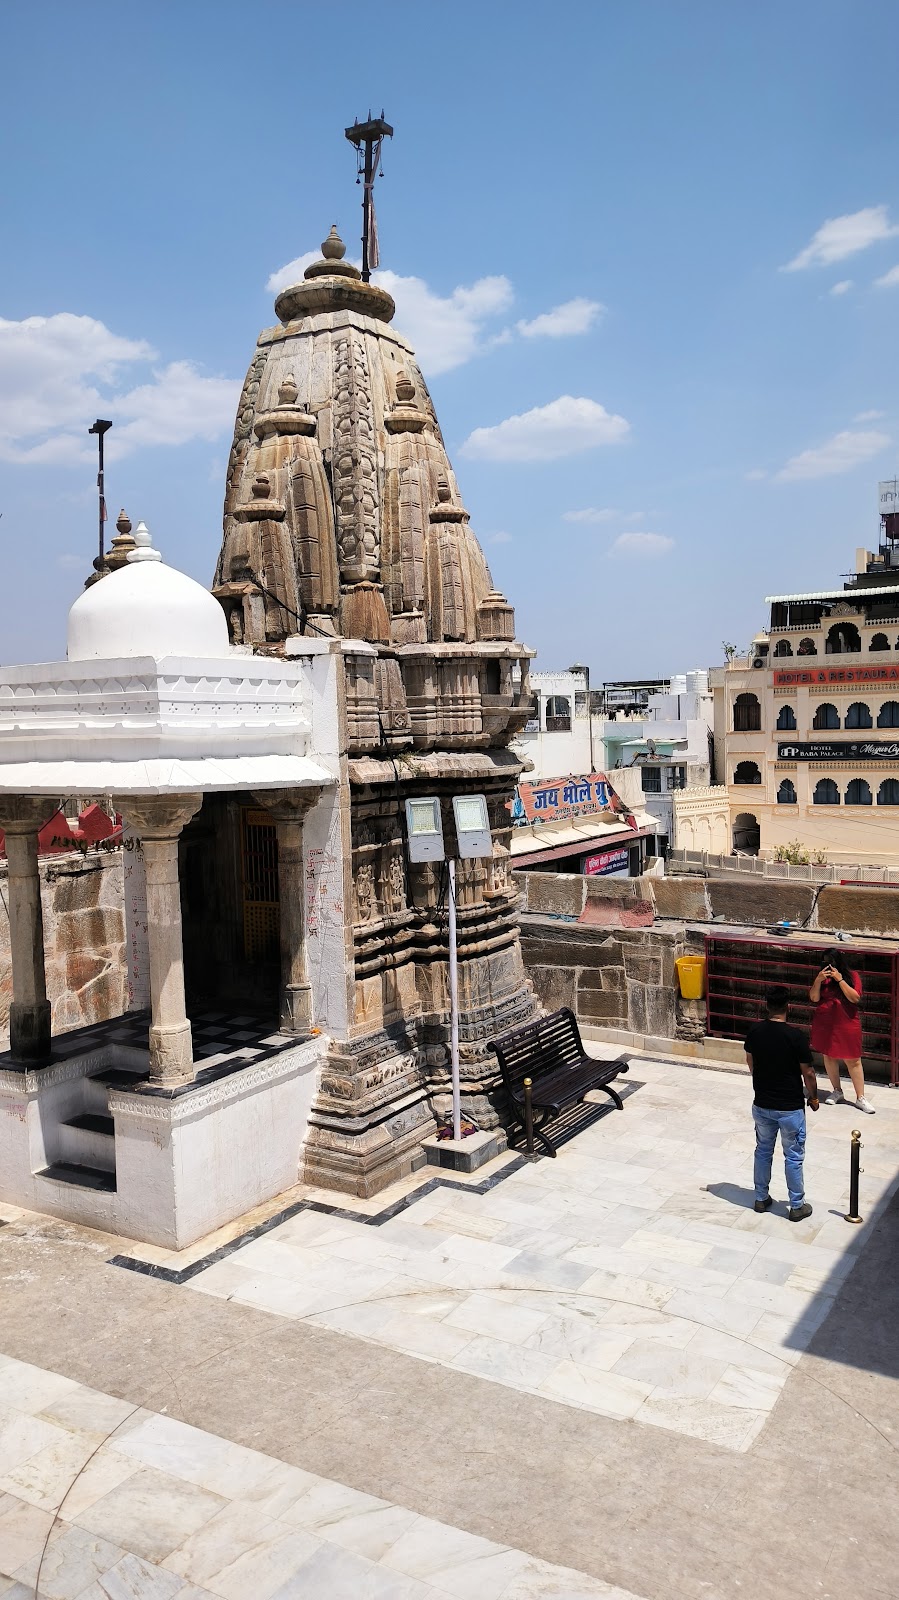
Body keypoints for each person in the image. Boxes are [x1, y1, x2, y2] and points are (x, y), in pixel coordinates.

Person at [744, 986, 818, 1222]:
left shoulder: (755, 1030)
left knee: (763, 1151)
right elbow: (809, 1073)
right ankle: (796, 1206)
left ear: (767, 1006)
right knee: (793, 1156)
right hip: (790, 1107)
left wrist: (761, 1080)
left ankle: (760, 1198)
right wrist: (814, 1097)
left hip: (762, 1103)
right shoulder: (795, 1036)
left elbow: (750, 1060)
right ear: (789, 1007)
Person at [808, 949, 873, 1114]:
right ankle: (837, 1090)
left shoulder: (852, 976)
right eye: (825, 962)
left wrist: (840, 979)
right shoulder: (822, 978)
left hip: (846, 1021)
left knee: (853, 1059)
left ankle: (861, 1097)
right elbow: (814, 998)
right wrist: (818, 980)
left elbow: (855, 998)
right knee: (829, 1056)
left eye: (831, 962)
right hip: (826, 1021)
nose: (828, 965)